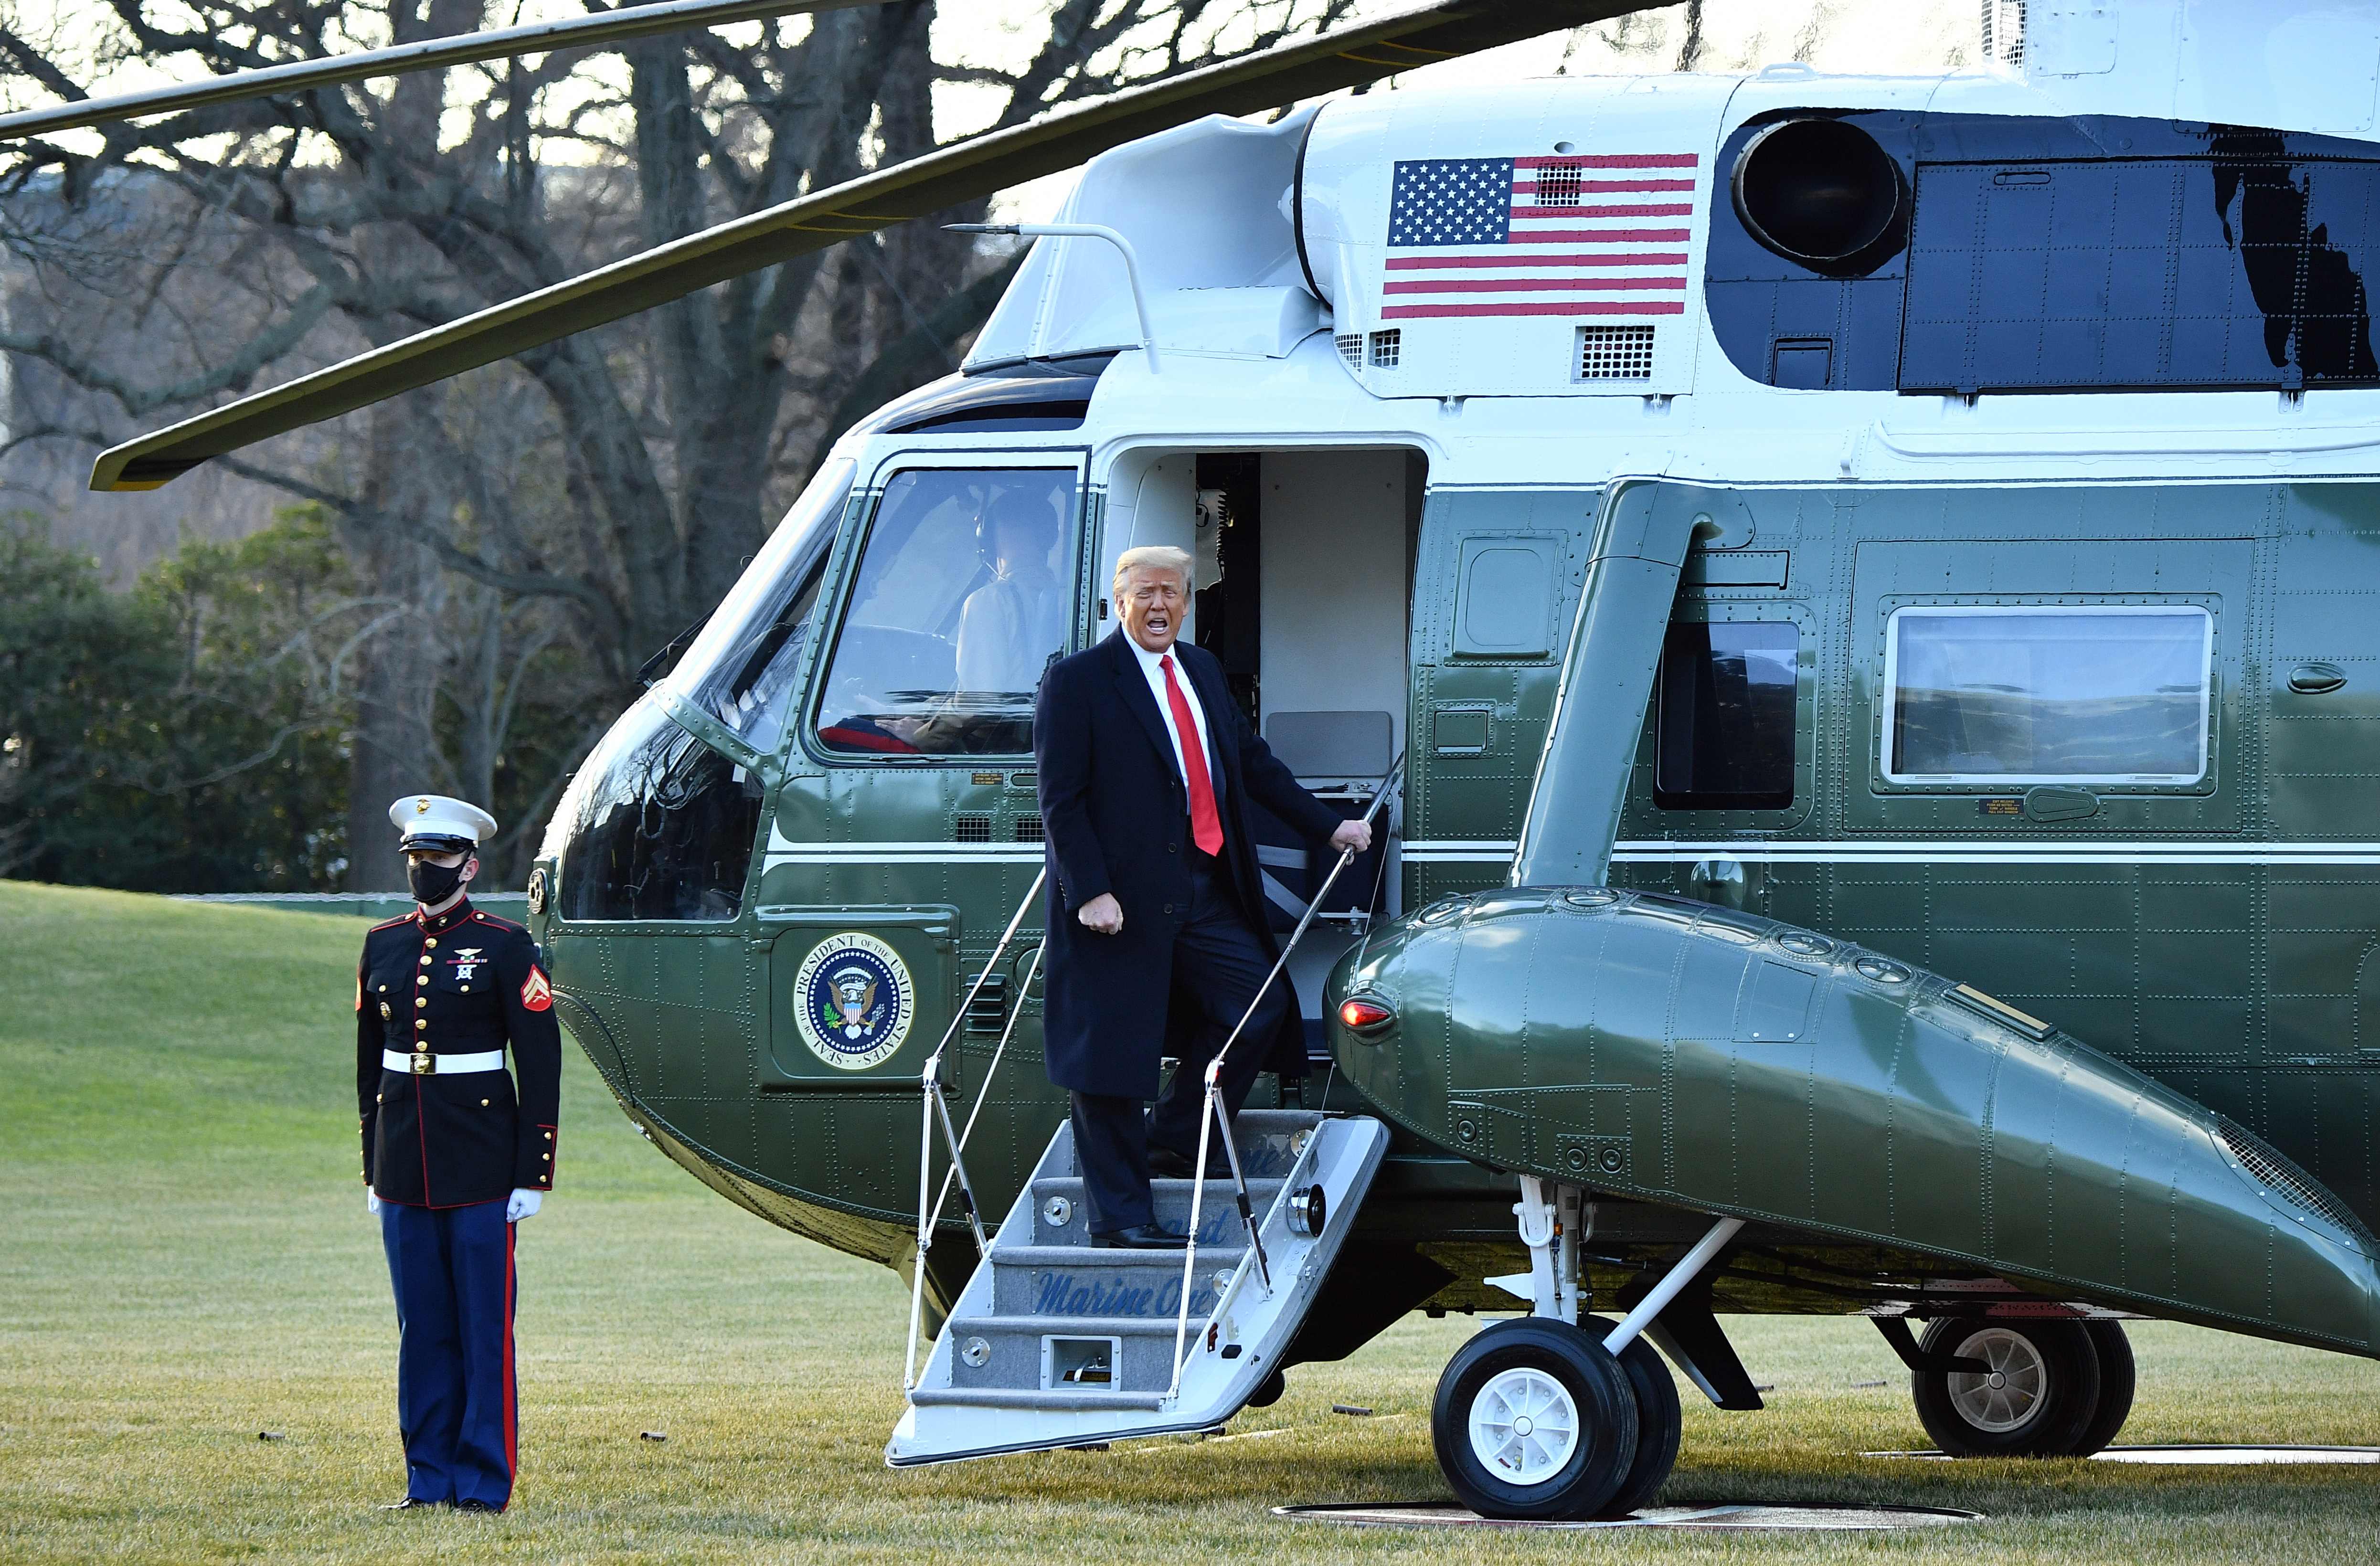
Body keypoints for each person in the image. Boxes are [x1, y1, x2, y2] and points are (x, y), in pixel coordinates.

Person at [1033, 545, 1371, 1248]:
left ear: (1187, 604)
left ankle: (1176, 1135)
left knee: (1259, 1006)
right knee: (1112, 1058)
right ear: (1119, 601)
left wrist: (1328, 826)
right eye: (1147, 594)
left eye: (1174, 595)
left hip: (1200, 883)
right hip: (1116, 902)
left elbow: (1252, 765)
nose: (1161, 607)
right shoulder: (1079, 682)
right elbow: (1060, 801)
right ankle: (1122, 1220)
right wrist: (1089, 891)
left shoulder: (1203, 671)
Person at [355, 795, 560, 1513]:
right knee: (422, 1333)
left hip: (482, 1165)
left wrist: (534, 1173)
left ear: (470, 865)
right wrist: (372, 1165)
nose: (424, 871)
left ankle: (481, 1484)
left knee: (481, 1331)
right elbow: (369, 1065)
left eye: (438, 859)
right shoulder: (382, 943)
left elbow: (540, 1063)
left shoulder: (507, 946)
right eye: (415, 859)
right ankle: (427, 1479)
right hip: (405, 1164)